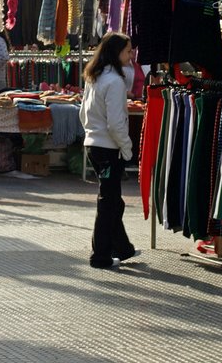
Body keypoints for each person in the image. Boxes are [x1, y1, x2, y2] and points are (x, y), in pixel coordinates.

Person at [80, 31, 138, 270]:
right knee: (109, 203)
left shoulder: (95, 77)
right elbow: (115, 123)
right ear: (116, 53)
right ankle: (101, 255)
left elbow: (82, 112)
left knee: (112, 201)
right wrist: (127, 149)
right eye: (127, 50)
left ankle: (121, 248)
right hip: (108, 147)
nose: (131, 53)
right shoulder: (114, 82)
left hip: (95, 144)